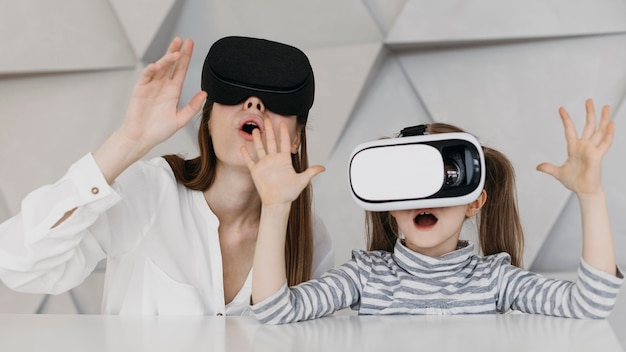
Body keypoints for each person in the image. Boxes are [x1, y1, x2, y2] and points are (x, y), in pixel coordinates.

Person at [0, 36, 334, 315]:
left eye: (275, 100)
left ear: (295, 138)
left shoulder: (309, 237)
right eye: (236, 94)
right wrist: (129, 141)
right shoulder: (151, 192)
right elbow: (17, 264)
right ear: (208, 117)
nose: (254, 105)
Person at [244, 99, 623, 324]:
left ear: (474, 200)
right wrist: (276, 207)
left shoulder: (495, 279)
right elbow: (275, 312)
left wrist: (590, 197)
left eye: (446, 177)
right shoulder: (366, 276)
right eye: (407, 181)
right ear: (389, 207)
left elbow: (588, 305)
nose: (422, 198)